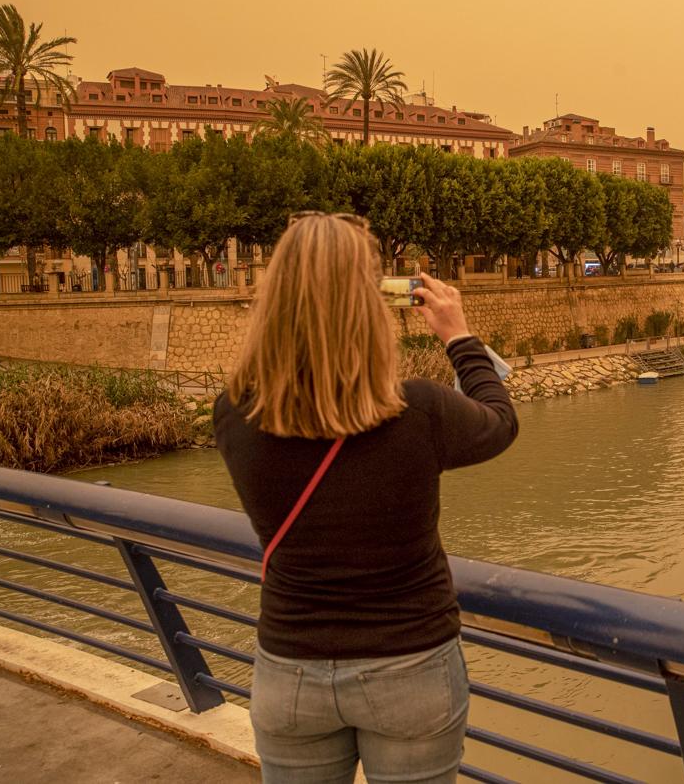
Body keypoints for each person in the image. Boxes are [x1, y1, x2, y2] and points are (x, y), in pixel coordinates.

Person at [214, 212, 517, 783]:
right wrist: (459, 335)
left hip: (290, 672)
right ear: (371, 303)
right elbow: (499, 422)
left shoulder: (235, 413)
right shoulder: (420, 412)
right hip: (411, 666)